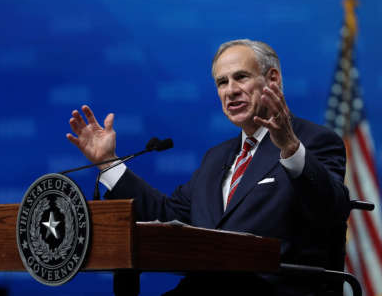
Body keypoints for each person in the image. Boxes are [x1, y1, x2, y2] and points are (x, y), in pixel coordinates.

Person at [67, 39, 350, 295]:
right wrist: (109, 163)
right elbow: (168, 216)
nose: (230, 91)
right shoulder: (216, 158)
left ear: (272, 79)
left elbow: (332, 210)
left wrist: (289, 148)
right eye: (221, 82)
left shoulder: (315, 142)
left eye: (241, 77)